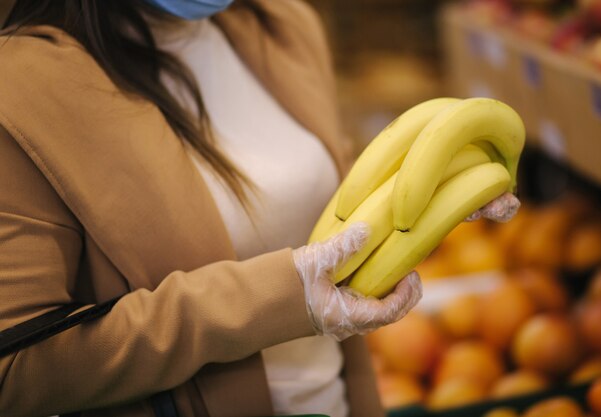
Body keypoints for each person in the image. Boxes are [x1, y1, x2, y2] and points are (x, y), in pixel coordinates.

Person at [0, 1, 518, 416]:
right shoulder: (21, 90)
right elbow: (16, 368)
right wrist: (278, 298)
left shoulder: (282, 24)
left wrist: (432, 194)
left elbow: (316, 199)